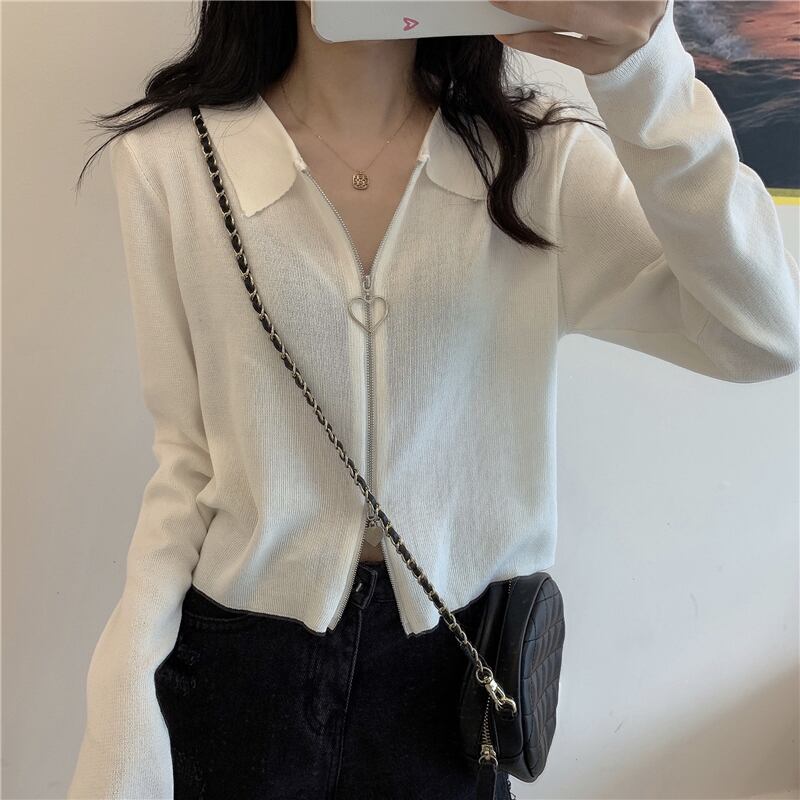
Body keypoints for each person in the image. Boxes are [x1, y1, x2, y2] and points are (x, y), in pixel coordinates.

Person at [68, 0, 799, 798]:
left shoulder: (535, 163)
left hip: (454, 680)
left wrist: (645, 77)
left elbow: (764, 334)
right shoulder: (172, 161)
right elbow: (188, 461)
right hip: (239, 665)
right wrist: (124, 703)